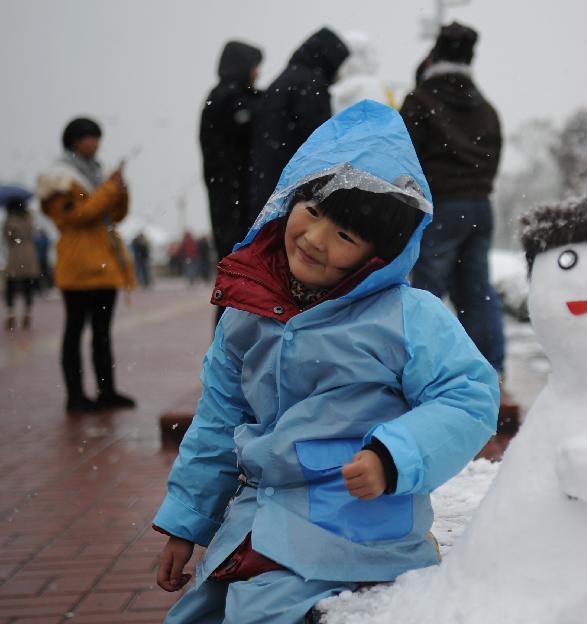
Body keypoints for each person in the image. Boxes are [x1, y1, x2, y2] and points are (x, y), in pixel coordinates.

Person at [153, 100, 498, 622]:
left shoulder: (406, 316)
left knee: (259, 611)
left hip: (354, 528)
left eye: (345, 235)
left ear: (377, 254)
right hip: (259, 519)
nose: (314, 239)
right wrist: (187, 521)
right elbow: (219, 419)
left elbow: (469, 395)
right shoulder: (247, 313)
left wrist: (393, 456)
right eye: (312, 211)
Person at [399, 22, 519, 432]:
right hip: (480, 207)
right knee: (477, 291)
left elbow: (403, 155)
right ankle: (492, 374)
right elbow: (495, 158)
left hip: (440, 206)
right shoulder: (486, 109)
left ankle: (421, 378)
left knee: (428, 293)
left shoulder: (421, 102)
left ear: (434, 55)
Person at [36, 117, 136, 413]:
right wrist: (107, 191)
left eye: (96, 137)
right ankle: (75, 396)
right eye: (87, 137)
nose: (93, 143)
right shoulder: (59, 178)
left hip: (105, 266)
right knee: (74, 333)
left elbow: (114, 215)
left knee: (102, 334)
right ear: (73, 142)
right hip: (78, 267)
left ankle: (107, 391)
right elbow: (77, 217)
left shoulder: (97, 174)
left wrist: (120, 190)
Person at [248, 27, 349, 216]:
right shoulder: (311, 84)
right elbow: (319, 141)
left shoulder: (284, 79)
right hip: (294, 190)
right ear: (329, 58)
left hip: (268, 186)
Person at [200, 40, 263, 276]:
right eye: (254, 66)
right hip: (232, 197)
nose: (257, 73)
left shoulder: (226, 97)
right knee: (236, 271)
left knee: (233, 271)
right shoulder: (227, 98)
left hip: (228, 196)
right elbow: (248, 120)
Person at [3, 198, 40, 330]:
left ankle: (11, 312)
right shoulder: (28, 218)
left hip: (15, 254)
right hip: (29, 254)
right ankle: (28, 312)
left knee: (11, 284)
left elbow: (8, 237)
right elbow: (34, 233)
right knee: (28, 285)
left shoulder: (9, 220)